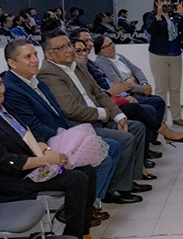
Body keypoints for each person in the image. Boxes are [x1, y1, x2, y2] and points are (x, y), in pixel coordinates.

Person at [3, 38, 121, 209]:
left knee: (112, 148)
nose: (35, 60)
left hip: (61, 133)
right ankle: (85, 207)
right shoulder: (12, 89)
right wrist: (66, 136)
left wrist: (73, 131)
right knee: (105, 156)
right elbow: (32, 127)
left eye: (35, 54)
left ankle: (93, 202)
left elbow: (60, 112)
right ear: (12, 63)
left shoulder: (37, 82)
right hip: (45, 142)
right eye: (28, 57)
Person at [37, 29, 148, 204]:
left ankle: (126, 183)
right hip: (80, 126)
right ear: (48, 54)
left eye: (68, 45)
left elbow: (99, 93)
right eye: (61, 48)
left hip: (98, 117)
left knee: (136, 127)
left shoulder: (79, 65)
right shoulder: (48, 74)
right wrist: (104, 113)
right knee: (124, 139)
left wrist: (118, 116)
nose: (69, 50)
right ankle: (114, 189)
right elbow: (71, 109)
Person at [0, 76, 100, 239]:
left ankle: (84, 232)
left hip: (35, 166)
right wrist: (44, 160)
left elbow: (31, 133)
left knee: (87, 170)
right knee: (75, 179)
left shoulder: (7, 108)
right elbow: (6, 162)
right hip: (14, 178)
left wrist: (47, 151)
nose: (0, 90)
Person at [80, 38, 183, 164]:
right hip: (121, 95)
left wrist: (144, 83)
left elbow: (136, 69)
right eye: (106, 46)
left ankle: (153, 138)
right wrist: (140, 89)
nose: (111, 47)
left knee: (158, 101)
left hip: (123, 93)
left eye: (111, 44)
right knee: (148, 108)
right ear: (100, 51)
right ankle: (160, 137)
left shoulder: (117, 57)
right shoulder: (100, 62)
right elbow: (116, 84)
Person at [145, 0, 183, 127]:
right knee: (161, 89)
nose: (165, 3)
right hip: (158, 55)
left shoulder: (176, 15)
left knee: (175, 88)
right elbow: (150, 30)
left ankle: (177, 117)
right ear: (156, 3)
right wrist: (159, 17)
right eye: (162, 1)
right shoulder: (151, 16)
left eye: (167, 1)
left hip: (175, 55)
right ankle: (162, 120)